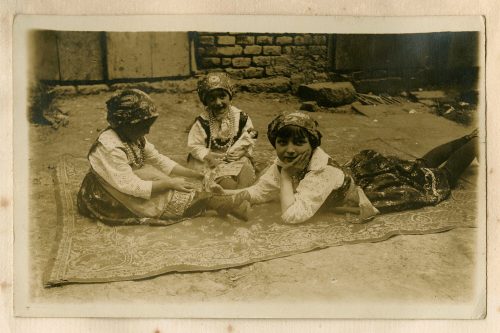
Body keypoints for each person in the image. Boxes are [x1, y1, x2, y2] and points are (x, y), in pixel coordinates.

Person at [211, 111, 478, 224]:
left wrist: (285, 177)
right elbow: (260, 192)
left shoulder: (320, 172)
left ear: (312, 144)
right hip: (359, 173)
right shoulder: (285, 162)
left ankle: (478, 141)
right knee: (418, 164)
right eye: (282, 142)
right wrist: (225, 197)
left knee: (435, 178)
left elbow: (292, 216)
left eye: (298, 142)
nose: (289, 150)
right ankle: (468, 137)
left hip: (373, 188)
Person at [77, 89, 251, 225]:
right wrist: (169, 183)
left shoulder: (133, 136)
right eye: (144, 126)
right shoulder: (110, 148)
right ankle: (216, 203)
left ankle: (216, 203)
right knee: (162, 192)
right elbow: (131, 186)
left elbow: (159, 160)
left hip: (129, 175)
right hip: (110, 192)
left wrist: (197, 175)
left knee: (159, 176)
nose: (147, 131)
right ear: (126, 124)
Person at [187, 72, 257, 190]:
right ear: (206, 102)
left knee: (245, 171)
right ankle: (231, 194)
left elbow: (250, 137)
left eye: (222, 96)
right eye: (212, 99)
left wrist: (242, 152)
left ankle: (240, 194)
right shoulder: (203, 122)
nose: (218, 103)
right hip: (211, 160)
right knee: (222, 182)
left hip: (235, 158)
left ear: (230, 96)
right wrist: (209, 157)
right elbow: (194, 145)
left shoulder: (241, 118)